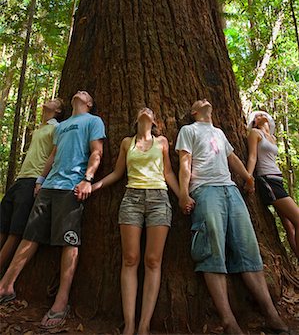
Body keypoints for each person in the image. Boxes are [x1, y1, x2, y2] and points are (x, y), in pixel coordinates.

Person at [176, 99, 289, 335]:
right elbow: (185, 163)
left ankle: (271, 315)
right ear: (195, 112)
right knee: (211, 250)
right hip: (205, 191)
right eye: (199, 102)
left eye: (208, 100)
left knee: (249, 251)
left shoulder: (218, 132)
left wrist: (247, 177)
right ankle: (228, 321)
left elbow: (232, 158)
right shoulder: (188, 130)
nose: (206, 100)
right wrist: (184, 194)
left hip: (231, 190)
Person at [0, 90, 106, 331]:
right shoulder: (62, 125)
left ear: (89, 103)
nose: (80, 93)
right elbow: (53, 154)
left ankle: (61, 300)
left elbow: (96, 152)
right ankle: (6, 285)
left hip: (71, 187)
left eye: (85, 94)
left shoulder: (93, 121)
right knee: (30, 236)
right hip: (48, 186)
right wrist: (40, 179)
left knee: (69, 240)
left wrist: (87, 178)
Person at [85, 107, 180, 335]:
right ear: (136, 118)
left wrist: (183, 195)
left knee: (153, 260)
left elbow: (168, 173)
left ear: (154, 120)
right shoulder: (127, 143)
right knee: (130, 259)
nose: (145, 111)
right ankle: (129, 324)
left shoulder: (162, 143)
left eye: (150, 110)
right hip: (131, 199)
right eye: (141, 110)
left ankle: (144, 324)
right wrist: (94, 185)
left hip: (159, 198)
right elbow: (118, 173)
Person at [0, 97, 64, 272]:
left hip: (32, 180)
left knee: (16, 229)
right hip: (20, 179)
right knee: (3, 224)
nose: (50, 100)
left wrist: (41, 180)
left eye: (55, 101)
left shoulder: (57, 128)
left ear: (58, 110)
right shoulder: (40, 128)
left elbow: (55, 154)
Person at [247, 110, 299, 259]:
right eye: (255, 117)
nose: (258, 116)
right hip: (267, 180)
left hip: (277, 180)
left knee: (289, 226)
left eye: (260, 114)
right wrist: (249, 178)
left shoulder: (273, 138)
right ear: (254, 123)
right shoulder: (255, 133)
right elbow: (252, 157)